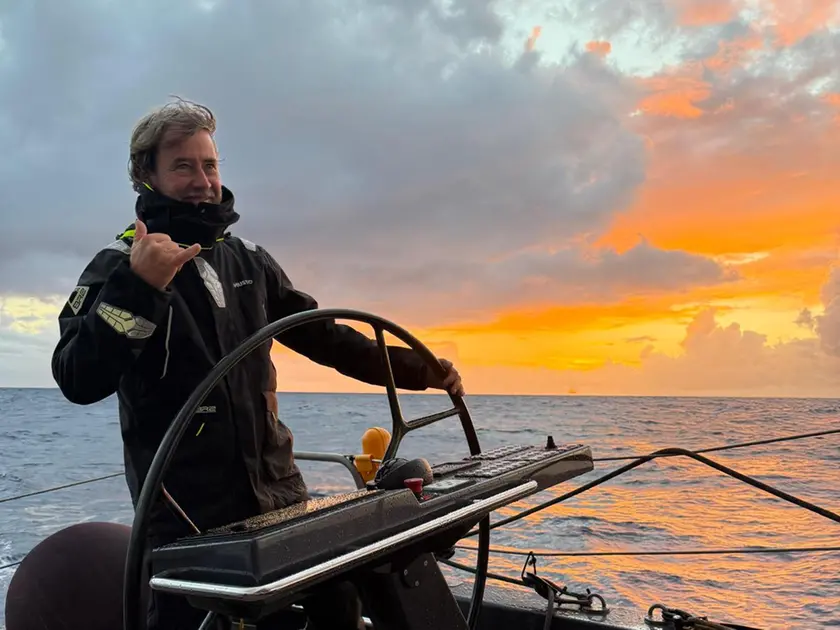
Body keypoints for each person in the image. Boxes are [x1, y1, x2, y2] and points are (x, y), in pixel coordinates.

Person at [51, 98, 465, 630]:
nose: (203, 181)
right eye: (183, 166)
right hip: (185, 513)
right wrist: (140, 288)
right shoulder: (117, 267)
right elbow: (77, 378)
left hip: (278, 490)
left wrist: (418, 370)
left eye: (210, 164)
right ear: (145, 175)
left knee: (338, 603)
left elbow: (328, 339)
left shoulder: (249, 259)